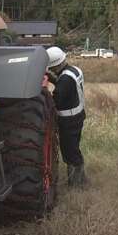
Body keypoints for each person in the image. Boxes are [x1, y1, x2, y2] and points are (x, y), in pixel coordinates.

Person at [46, 46, 89, 187]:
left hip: (68, 120)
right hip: (78, 116)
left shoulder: (64, 80)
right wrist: (55, 80)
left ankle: (77, 184)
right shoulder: (75, 70)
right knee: (74, 148)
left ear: (56, 66)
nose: (51, 71)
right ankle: (79, 180)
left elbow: (57, 99)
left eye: (51, 68)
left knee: (70, 151)